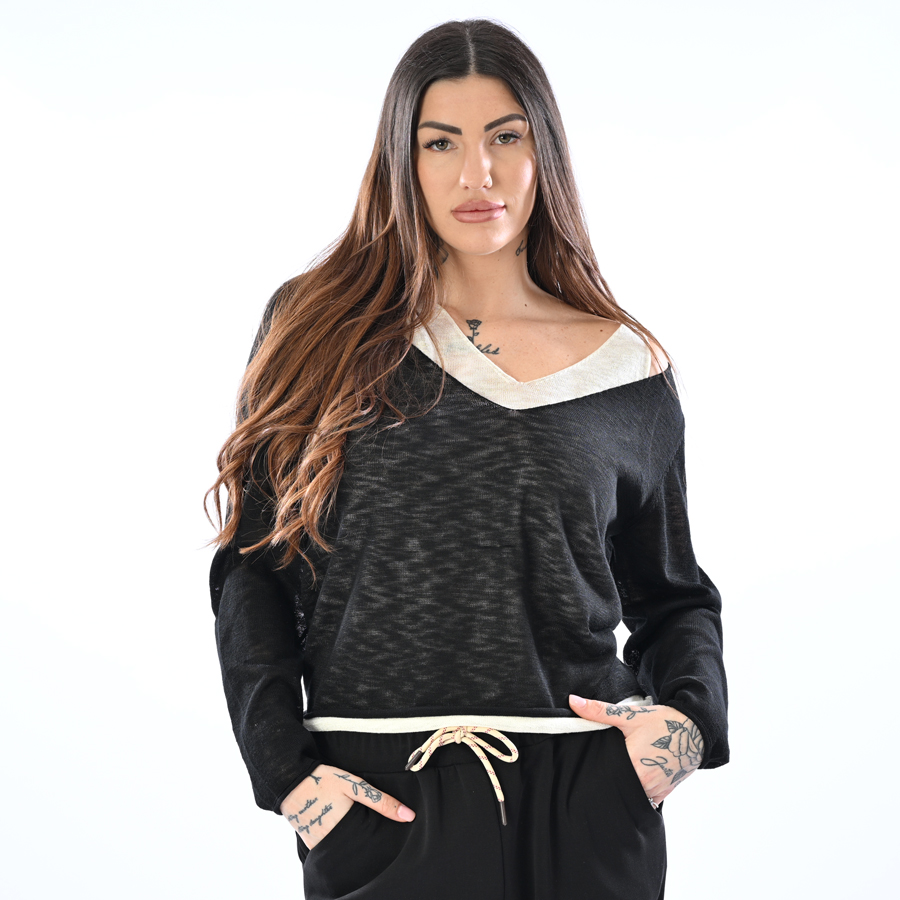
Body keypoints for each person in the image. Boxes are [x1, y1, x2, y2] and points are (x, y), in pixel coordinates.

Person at [207, 17, 728, 900]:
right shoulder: (316, 330)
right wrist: (286, 775)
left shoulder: (627, 365)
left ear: (544, 151)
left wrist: (680, 731)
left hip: (588, 800)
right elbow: (253, 570)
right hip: (383, 802)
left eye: (505, 138)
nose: (475, 174)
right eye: (440, 142)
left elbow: (674, 594)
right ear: (400, 159)